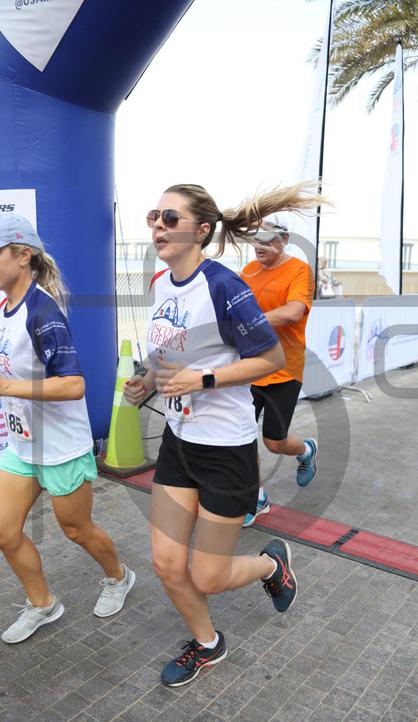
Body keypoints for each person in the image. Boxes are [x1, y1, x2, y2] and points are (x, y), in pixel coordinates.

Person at [123, 183, 325, 687]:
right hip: (178, 442)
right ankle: (208, 644)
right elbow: (165, 352)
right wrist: (146, 378)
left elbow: (270, 357)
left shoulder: (223, 285)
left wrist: (204, 379)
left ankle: (270, 565)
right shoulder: (161, 284)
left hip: (224, 450)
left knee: (208, 575)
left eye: (171, 218)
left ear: (202, 230)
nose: (159, 226)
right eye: (155, 216)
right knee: (167, 564)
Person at [0, 214, 135, 644]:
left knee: (76, 529)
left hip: (60, 448)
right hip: (22, 444)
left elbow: (74, 385)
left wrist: (7, 386)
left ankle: (118, 576)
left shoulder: (43, 313)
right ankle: (43, 604)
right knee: (4, 531)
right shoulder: (4, 307)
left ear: (22, 255)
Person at [240, 218, 318, 527]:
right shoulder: (248, 271)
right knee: (240, 435)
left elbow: (293, 312)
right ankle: (256, 497)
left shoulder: (299, 270)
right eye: (254, 239)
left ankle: (306, 450)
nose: (258, 245)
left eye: (266, 238)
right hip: (249, 367)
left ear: (283, 239)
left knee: (274, 441)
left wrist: (251, 322)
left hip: (285, 369)